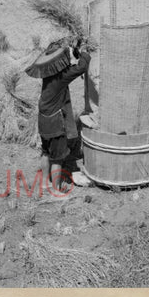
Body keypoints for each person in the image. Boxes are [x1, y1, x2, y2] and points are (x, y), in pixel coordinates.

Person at [25, 38, 91, 192]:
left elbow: (71, 67)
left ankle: (44, 183)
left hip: (43, 121)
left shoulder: (48, 75)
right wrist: (84, 52)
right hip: (55, 122)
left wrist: (75, 51)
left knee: (46, 153)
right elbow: (82, 67)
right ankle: (55, 190)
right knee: (58, 159)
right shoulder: (61, 78)